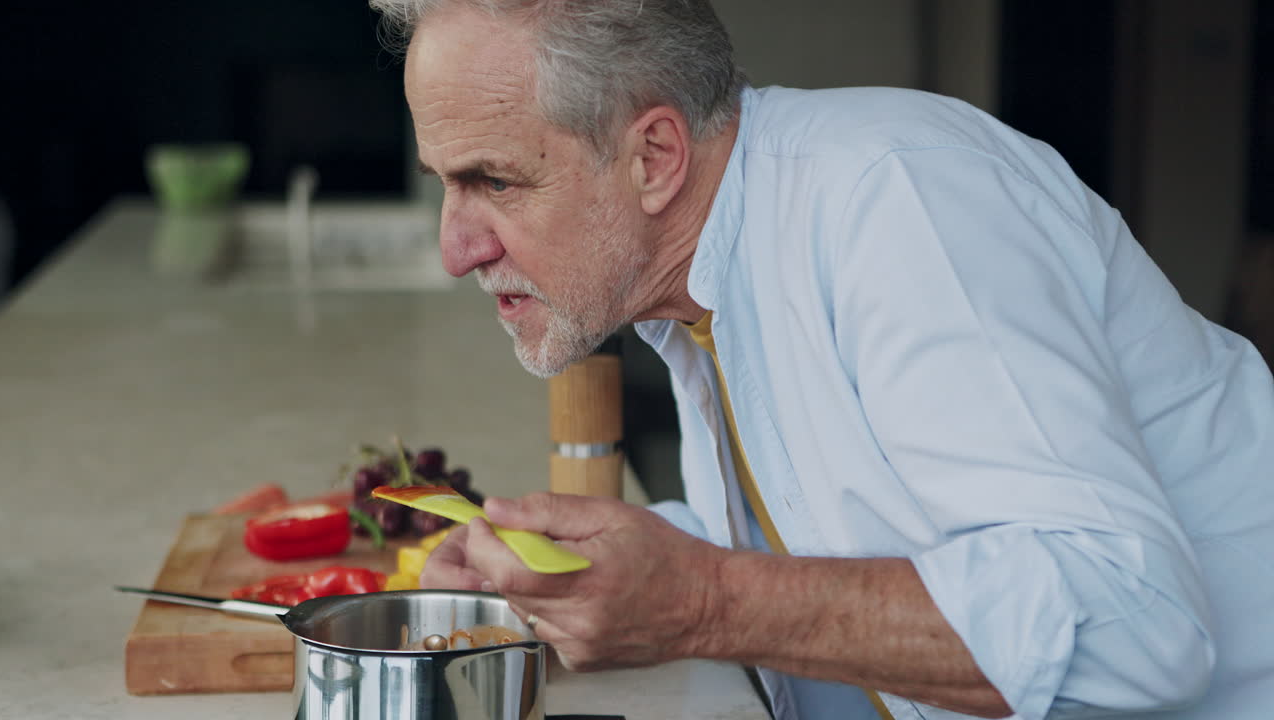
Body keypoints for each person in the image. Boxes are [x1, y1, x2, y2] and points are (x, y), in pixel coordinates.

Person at [368, 1, 1274, 718]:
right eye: (445, 185)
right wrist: (562, 573)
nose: (457, 250)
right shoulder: (692, 280)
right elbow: (846, 524)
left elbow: (1137, 628)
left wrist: (704, 599)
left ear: (653, 157)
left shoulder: (900, 201)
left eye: (494, 181)